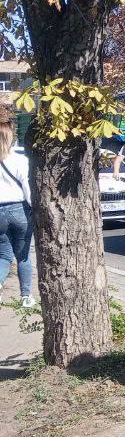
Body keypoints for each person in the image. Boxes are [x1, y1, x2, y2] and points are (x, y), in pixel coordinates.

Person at [0, 103, 35, 308]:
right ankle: (26, 296)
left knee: (3, 254)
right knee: (22, 255)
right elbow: (28, 188)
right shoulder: (21, 160)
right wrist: (33, 209)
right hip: (18, 209)